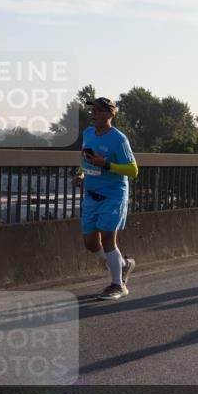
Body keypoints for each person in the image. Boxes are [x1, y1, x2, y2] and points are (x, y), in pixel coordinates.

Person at [73, 98, 138, 300]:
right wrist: (80, 174)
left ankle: (118, 285)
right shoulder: (88, 133)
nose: (93, 114)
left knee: (109, 238)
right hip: (91, 195)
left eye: (98, 111)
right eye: (92, 111)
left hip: (113, 194)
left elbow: (133, 170)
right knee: (91, 243)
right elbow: (85, 159)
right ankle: (123, 264)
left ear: (110, 115)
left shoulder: (119, 139)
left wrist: (107, 164)